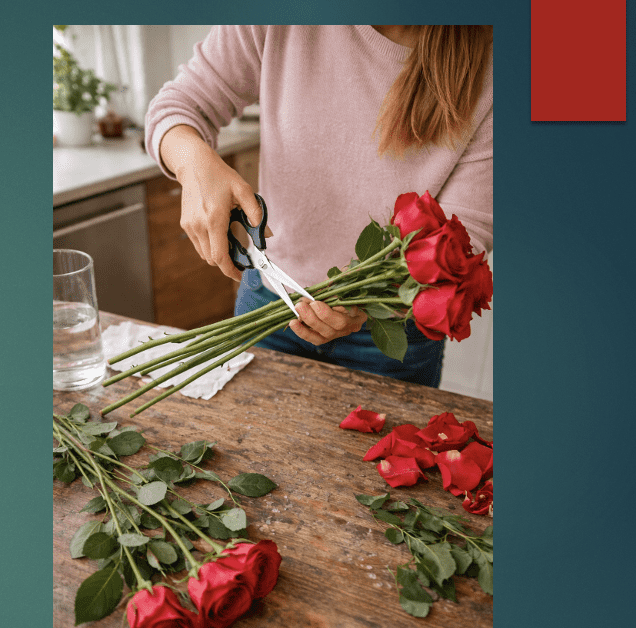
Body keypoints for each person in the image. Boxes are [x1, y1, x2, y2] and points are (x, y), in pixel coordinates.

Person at [145, 25, 493, 387]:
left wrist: (368, 301)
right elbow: (178, 107)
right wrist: (193, 161)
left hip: (388, 332)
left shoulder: (492, 67)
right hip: (267, 300)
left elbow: (464, 235)